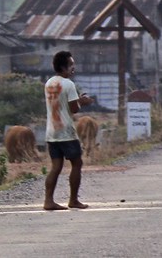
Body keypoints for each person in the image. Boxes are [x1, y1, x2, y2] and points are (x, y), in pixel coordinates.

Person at [43, 50, 94, 210]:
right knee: (77, 163)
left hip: (52, 132)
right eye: (71, 64)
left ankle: (48, 200)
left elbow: (62, 102)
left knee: (56, 167)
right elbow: (74, 109)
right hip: (66, 131)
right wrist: (83, 101)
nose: (74, 67)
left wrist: (77, 99)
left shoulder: (49, 83)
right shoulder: (69, 84)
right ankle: (73, 200)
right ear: (64, 67)